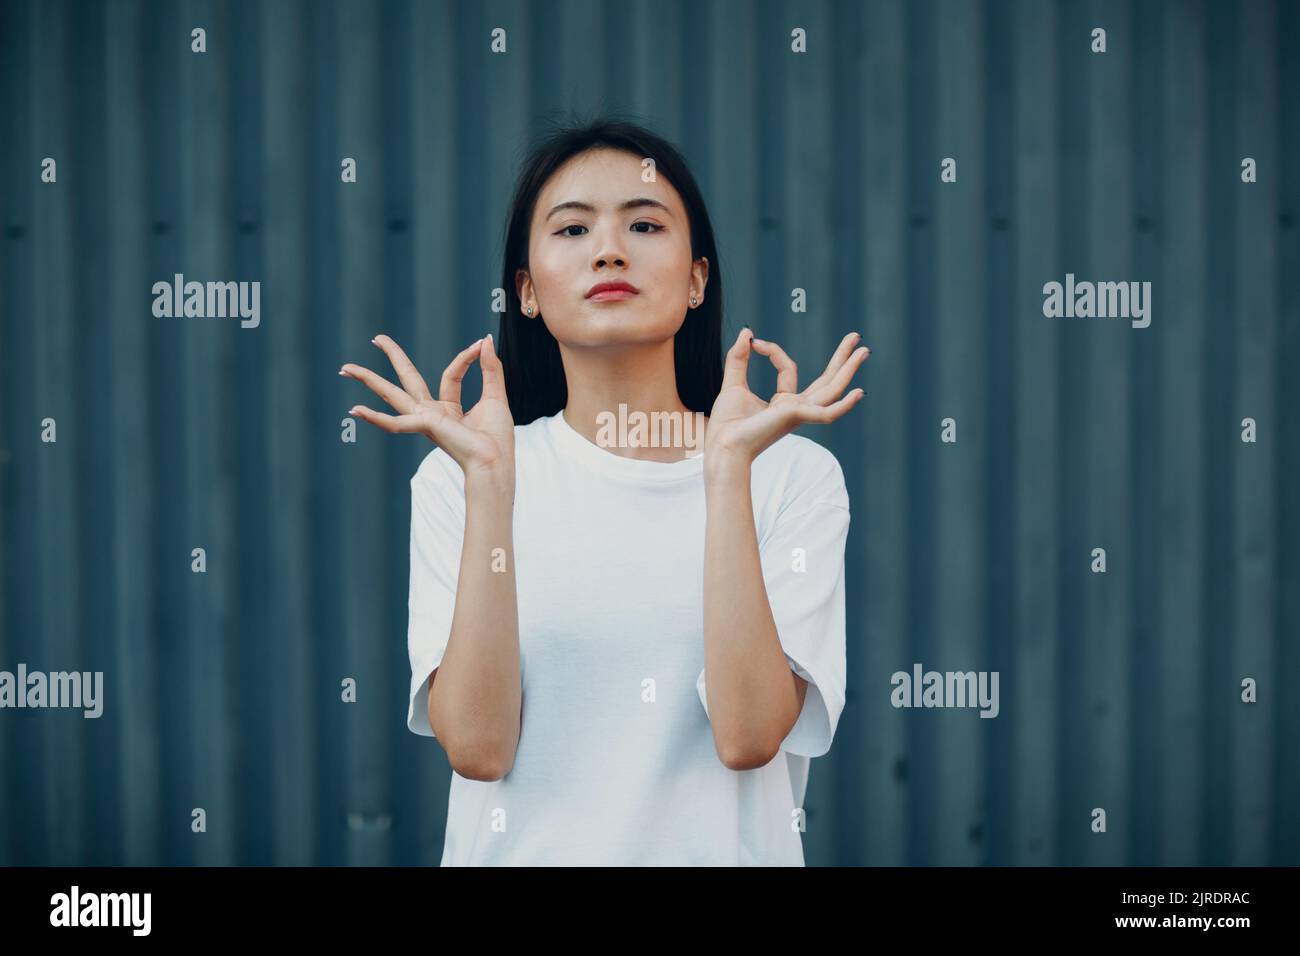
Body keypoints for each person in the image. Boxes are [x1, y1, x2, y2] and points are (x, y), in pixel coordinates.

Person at [340, 118, 869, 865]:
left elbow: (748, 735)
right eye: (573, 228)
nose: (609, 249)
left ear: (697, 279)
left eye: (645, 223)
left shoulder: (789, 477)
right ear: (525, 291)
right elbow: (479, 747)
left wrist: (724, 476)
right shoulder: (463, 477)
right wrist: (491, 486)